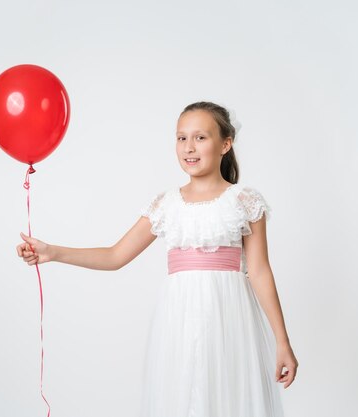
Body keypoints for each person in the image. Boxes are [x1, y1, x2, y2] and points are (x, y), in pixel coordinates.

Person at [15, 101, 298, 416]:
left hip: (230, 319)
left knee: (227, 398)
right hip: (179, 321)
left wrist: (282, 342)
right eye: (181, 138)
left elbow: (259, 271)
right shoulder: (166, 204)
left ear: (225, 144)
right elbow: (115, 255)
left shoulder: (244, 201)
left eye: (200, 138)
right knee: (184, 398)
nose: (189, 147)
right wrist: (52, 252)